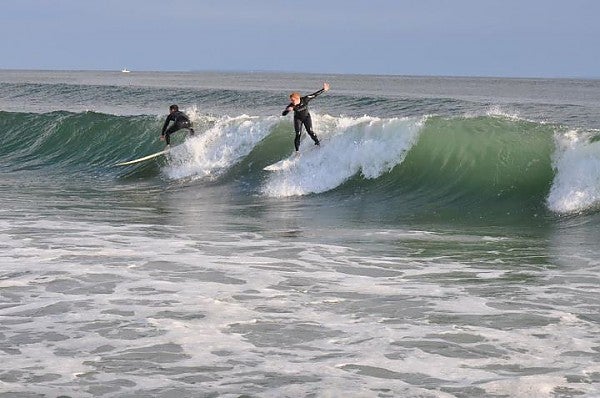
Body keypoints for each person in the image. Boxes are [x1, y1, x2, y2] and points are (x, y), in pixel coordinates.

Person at [282, 82, 330, 152]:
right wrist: (287, 110)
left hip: (306, 117)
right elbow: (283, 114)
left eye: (293, 100)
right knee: (298, 134)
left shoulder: (305, 99)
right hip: (297, 119)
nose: (292, 102)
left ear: (297, 98)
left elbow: (315, 95)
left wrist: (323, 89)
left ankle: (317, 143)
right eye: (291, 100)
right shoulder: (291, 105)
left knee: (310, 131)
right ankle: (297, 151)